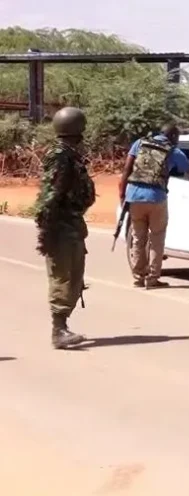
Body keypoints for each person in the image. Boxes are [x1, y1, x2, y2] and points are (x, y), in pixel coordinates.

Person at [34, 107, 96, 350]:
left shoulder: (68, 155)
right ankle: (58, 330)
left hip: (71, 224)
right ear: (77, 130)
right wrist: (47, 230)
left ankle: (62, 326)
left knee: (74, 275)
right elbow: (51, 195)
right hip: (61, 225)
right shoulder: (60, 157)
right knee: (63, 276)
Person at [118, 124, 189, 289]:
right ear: (173, 136)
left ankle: (138, 277)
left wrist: (122, 194)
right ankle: (152, 279)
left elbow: (126, 169)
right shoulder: (173, 151)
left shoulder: (140, 143)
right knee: (157, 239)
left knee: (138, 239)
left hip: (134, 196)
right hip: (156, 198)